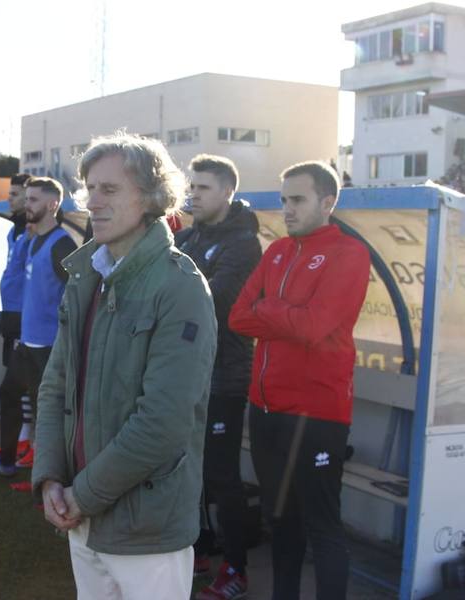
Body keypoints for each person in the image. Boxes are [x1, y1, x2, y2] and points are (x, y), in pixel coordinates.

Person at [32, 133, 217, 599]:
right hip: (83, 519)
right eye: (89, 188)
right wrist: (51, 477)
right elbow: (56, 386)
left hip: (147, 532)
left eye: (109, 189)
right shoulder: (86, 276)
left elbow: (163, 421)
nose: (92, 201)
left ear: (152, 197)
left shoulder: (180, 287)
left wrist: (81, 496)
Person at [229, 161, 371, 600]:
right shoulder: (275, 252)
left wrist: (269, 309)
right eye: (283, 199)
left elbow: (314, 327)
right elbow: (238, 317)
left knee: (322, 526)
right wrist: (283, 314)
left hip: (316, 415)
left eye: (297, 200)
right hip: (266, 409)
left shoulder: (349, 253)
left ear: (327, 203)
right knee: (281, 520)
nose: (286, 209)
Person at [175, 154, 262, 599]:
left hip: (224, 376)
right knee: (191, 469)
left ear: (227, 191)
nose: (193, 193)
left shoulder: (244, 243)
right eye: (192, 185)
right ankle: (202, 548)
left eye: (203, 187)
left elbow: (218, 299)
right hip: (188, 374)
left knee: (222, 475)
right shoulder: (189, 237)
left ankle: (237, 568)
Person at [0, 177, 76, 477]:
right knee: (8, 394)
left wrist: (65, 339)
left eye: (33, 200)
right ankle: (6, 461)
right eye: (27, 198)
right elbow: (18, 281)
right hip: (27, 341)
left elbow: (77, 295)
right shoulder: (33, 239)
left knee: (47, 413)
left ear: (52, 204)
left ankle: (48, 478)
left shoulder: (63, 244)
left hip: (48, 346)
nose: (26, 204)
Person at [0, 173, 32, 464]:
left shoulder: (35, 233)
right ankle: (21, 441)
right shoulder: (14, 230)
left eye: (16, 194)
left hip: (25, 316)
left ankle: (26, 442)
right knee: (16, 382)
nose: (10, 198)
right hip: (11, 312)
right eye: (11, 193)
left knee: (21, 384)